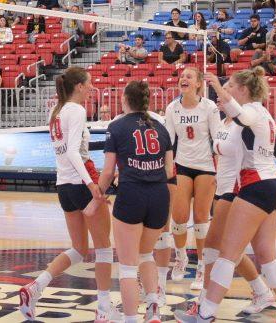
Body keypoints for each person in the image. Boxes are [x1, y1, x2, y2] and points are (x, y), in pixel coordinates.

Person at [175, 66, 276, 323]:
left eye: (232, 86)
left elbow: (244, 118)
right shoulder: (262, 114)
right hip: (268, 187)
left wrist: (217, 87)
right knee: (266, 255)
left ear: (243, 90)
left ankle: (205, 313)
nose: (227, 93)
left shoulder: (251, 113)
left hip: (254, 186)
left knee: (228, 254)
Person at [18, 67, 121, 322]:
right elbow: (74, 153)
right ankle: (103, 309)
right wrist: (92, 186)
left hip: (63, 185)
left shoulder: (57, 112)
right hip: (80, 183)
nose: (92, 87)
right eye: (89, 84)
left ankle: (36, 287)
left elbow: (67, 152)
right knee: (104, 249)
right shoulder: (76, 110)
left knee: (78, 249)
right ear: (78, 87)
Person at [87, 80, 173, 323]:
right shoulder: (161, 128)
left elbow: (106, 172)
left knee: (127, 266)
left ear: (124, 99)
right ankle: (154, 308)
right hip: (159, 196)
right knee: (146, 255)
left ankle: (131, 319)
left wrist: (96, 200)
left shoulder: (116, 127)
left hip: (132, 195)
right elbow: (169, 171)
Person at [165, 67, 221, 290]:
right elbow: (168, 141)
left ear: (199, 83)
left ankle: (202, 266)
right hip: (183, 165)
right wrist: (168, 167)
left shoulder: (209, 107)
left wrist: (223, 168)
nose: (183, 79)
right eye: (182, 76)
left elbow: (217, 139)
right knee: (178, 218)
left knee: (200, 218)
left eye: (189, 76)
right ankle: (180, 258)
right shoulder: (172, 108)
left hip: (206, 166)